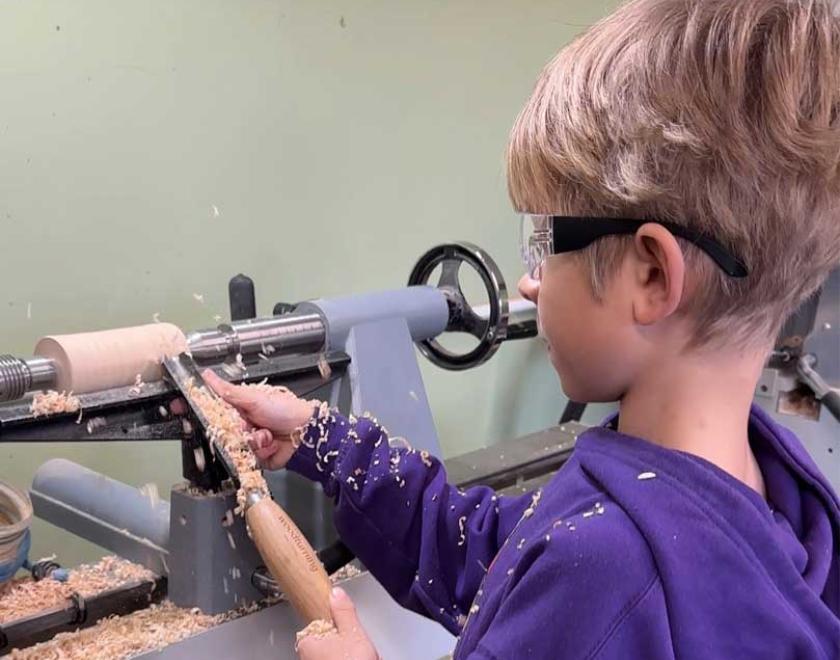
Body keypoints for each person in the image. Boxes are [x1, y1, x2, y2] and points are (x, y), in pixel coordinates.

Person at [205, 0, 840, 656]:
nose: (530, 280)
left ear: (651, 276)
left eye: (545, 240)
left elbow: (564, 579)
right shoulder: (772, 496)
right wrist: (324, 440)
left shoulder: (607, 574)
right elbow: (494, 558)